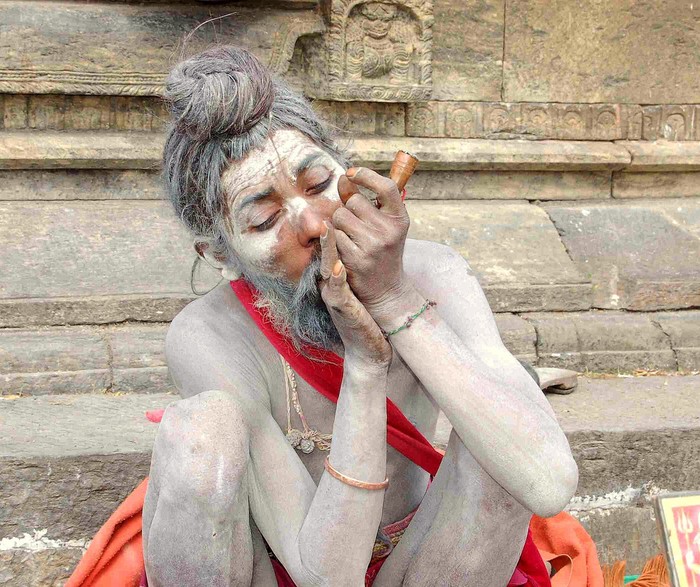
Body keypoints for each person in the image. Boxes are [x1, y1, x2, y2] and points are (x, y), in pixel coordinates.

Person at [142, 45, 579, 586]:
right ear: (220, 255)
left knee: (499, 424)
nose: (315, 225)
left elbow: (547, 484)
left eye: (318, 185)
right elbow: (326, 577)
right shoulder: (208, 335)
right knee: (199, 431)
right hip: (295, 567)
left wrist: (395, 300)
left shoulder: (432, 274)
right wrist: (366, 368)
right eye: (265, 219)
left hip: (428, 563)